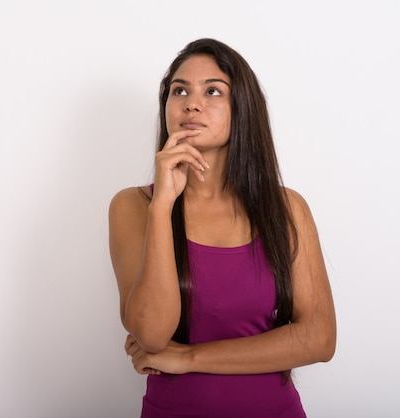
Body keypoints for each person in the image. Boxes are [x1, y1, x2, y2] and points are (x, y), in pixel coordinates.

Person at [108, 38, 336, 417]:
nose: (191, 103)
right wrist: (163, 205)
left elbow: (319, 339)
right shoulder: (135, 206)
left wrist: (190, 358)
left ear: (242, 108)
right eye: (179, 90)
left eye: (213, 91)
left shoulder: (286, 208)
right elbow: (151, 333)